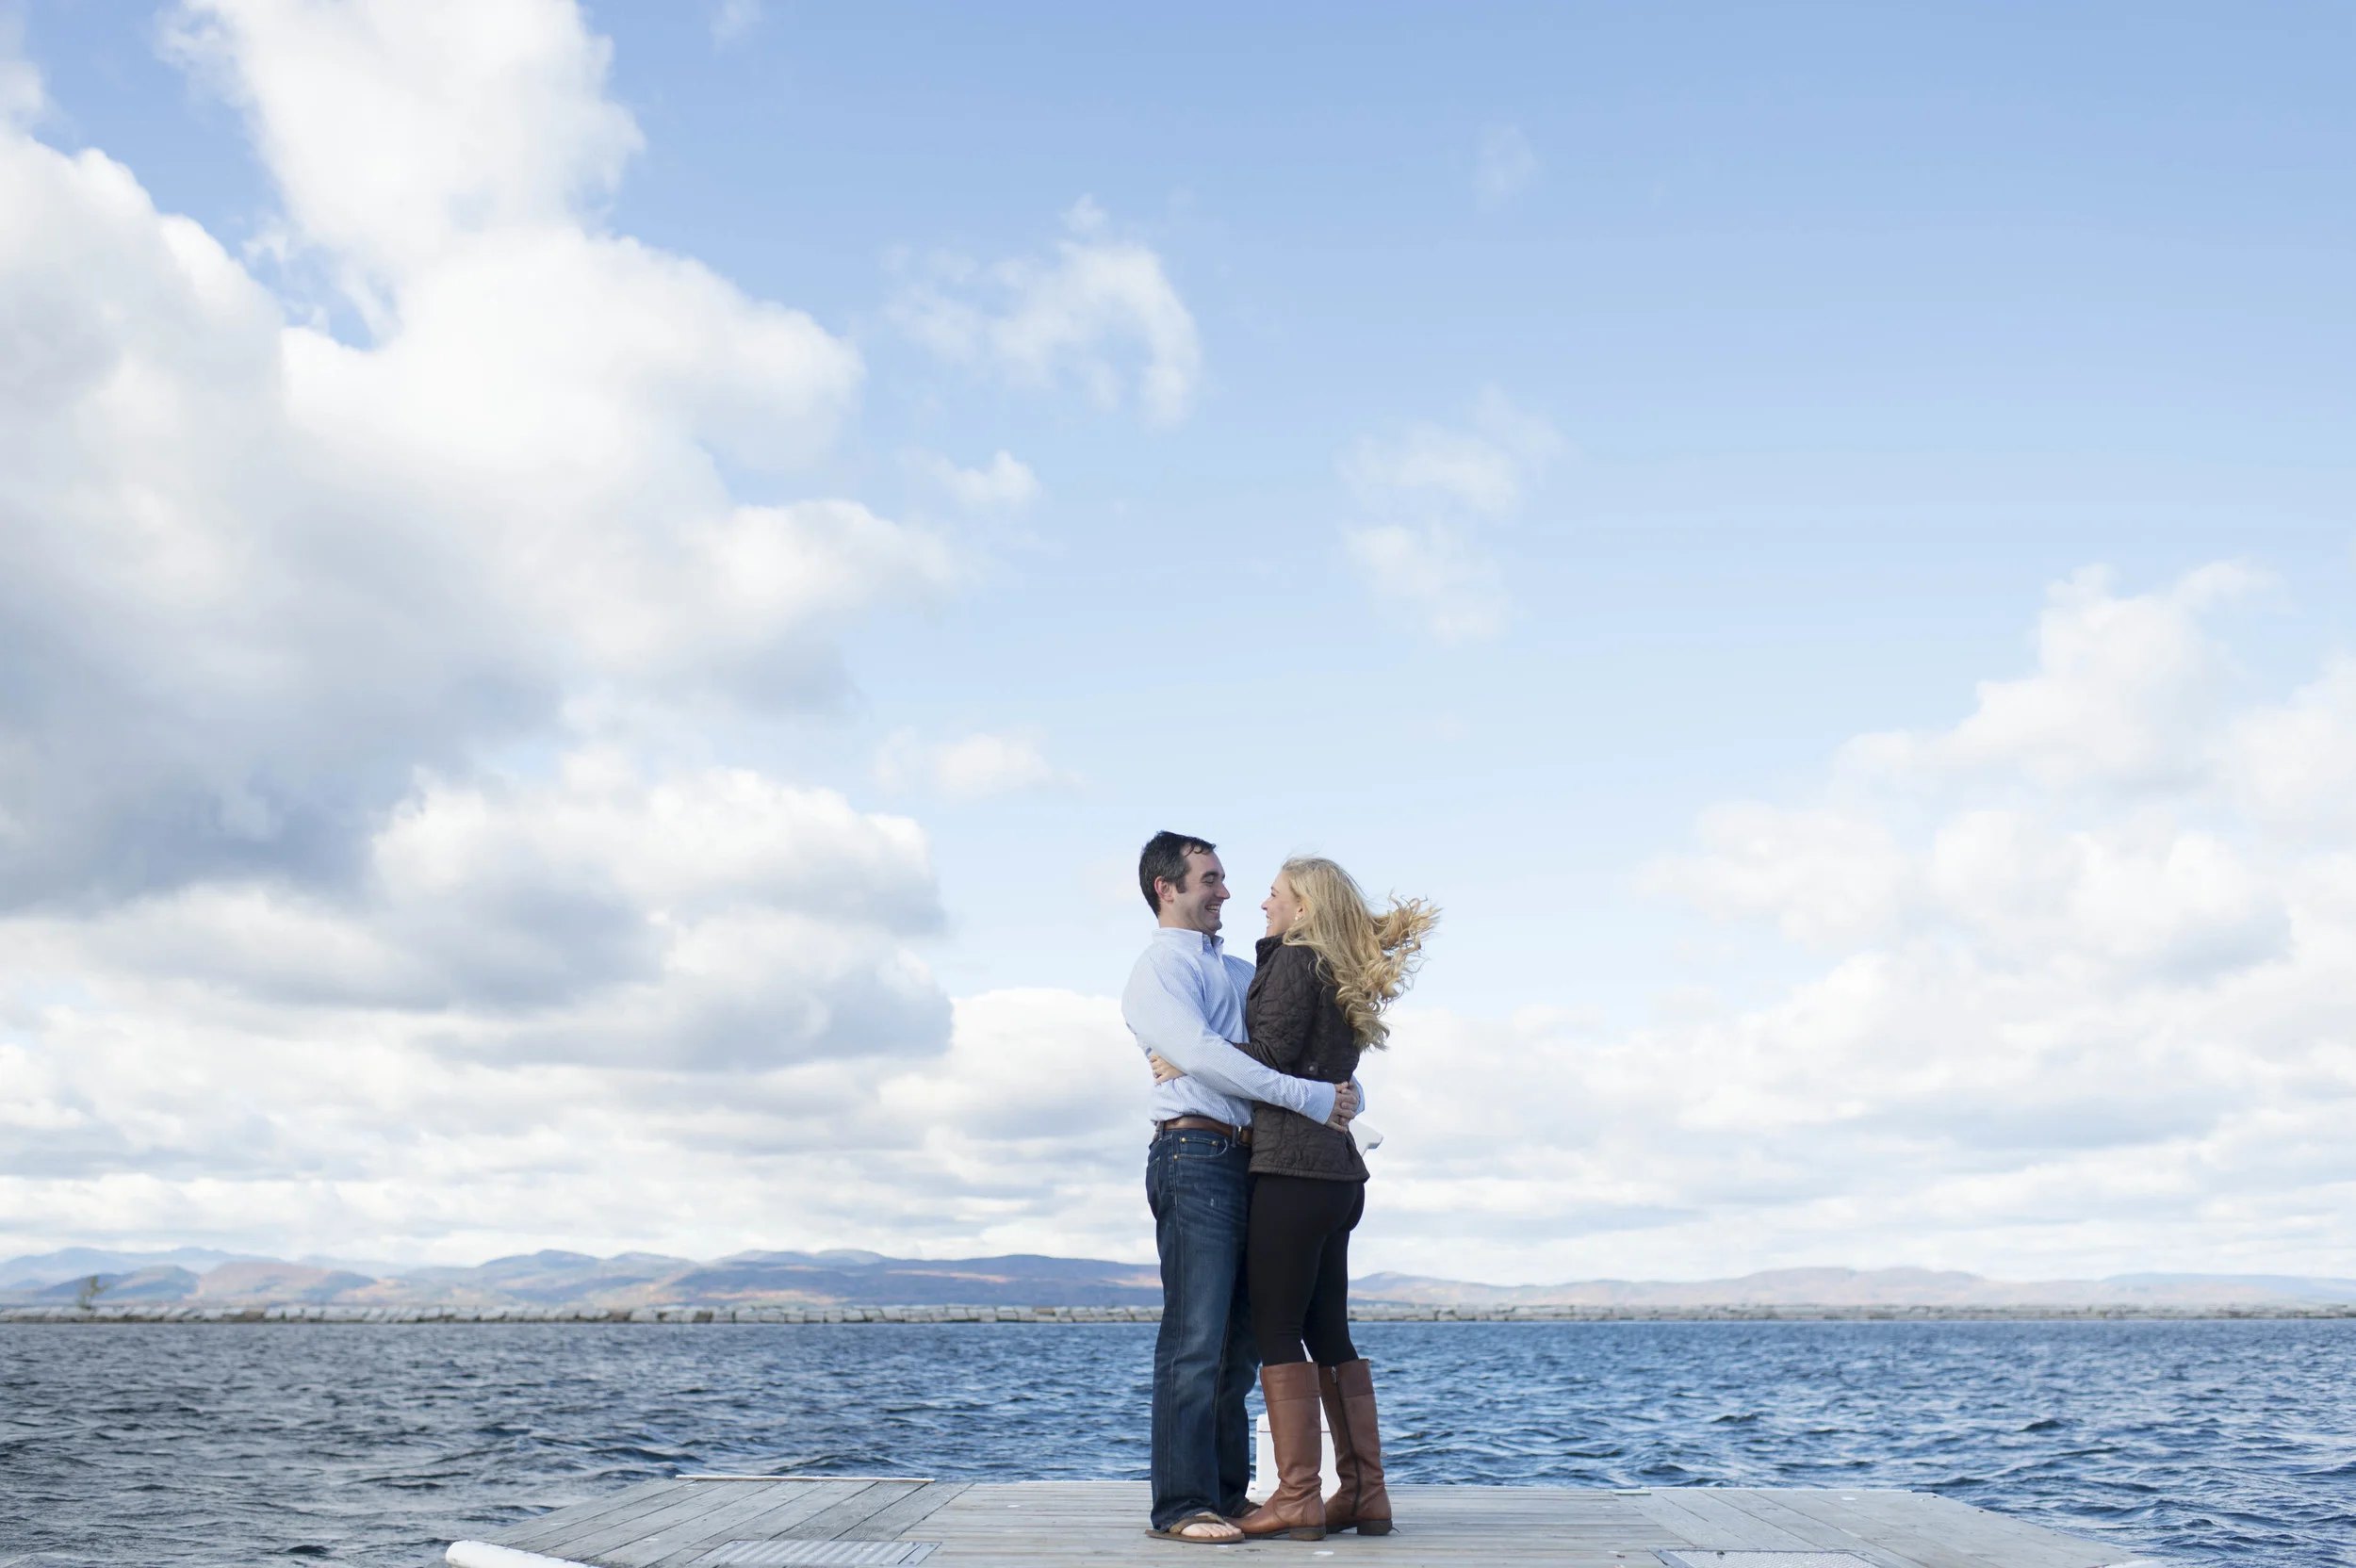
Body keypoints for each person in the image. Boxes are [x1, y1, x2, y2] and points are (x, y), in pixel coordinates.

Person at [1154, 856, 1435, 1541]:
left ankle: (1299, 1497)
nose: (1262, 906)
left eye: (1274, 895)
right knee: (1329, 1330)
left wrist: (1192, 1052)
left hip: (1292, 1174)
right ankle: (1365, 1495)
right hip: (1339, 1179)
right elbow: (1324, 1070)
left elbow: (1273, 1056)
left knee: (1277, 1331)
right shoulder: (1333, 967)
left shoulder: (1289, 962)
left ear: (1305, 906)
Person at [1122, 831, 1363, 1545]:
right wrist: (1305, 1095)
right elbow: (1203, 1058)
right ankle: (1182, 1506)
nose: (1226, 890)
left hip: (1258, 1159)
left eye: (1226, 878)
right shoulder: (1157, 972)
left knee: (1240, 1343)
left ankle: (1226, 1498)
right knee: (1196, 1336)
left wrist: (1340, 1093)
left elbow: (1284, 1056)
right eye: (1210, 878)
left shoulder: (1237, 970)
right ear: (1166, 888)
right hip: (1193, 1152)